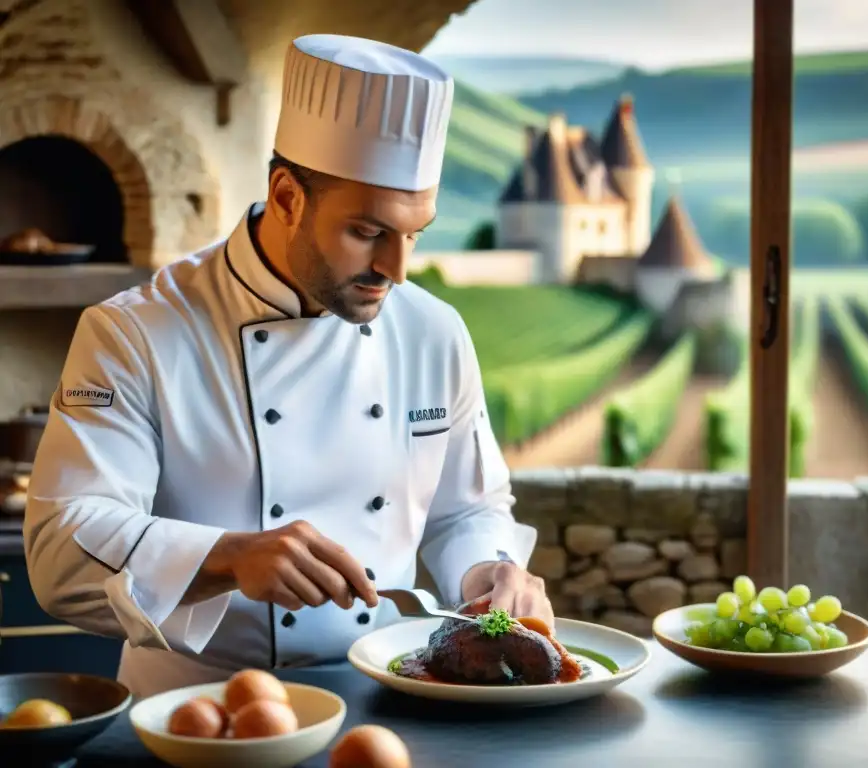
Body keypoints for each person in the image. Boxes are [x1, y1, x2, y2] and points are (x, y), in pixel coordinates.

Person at [23, 34, 550, 699]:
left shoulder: (434, 332)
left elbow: (467, 509)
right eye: (368, 232)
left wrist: (489, 573)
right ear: (286, 196)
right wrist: (228, 556)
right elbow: (60, 550)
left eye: (414, 234)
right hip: (195, 710)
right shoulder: (134, 333)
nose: (397, 270)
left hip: (385, 695)